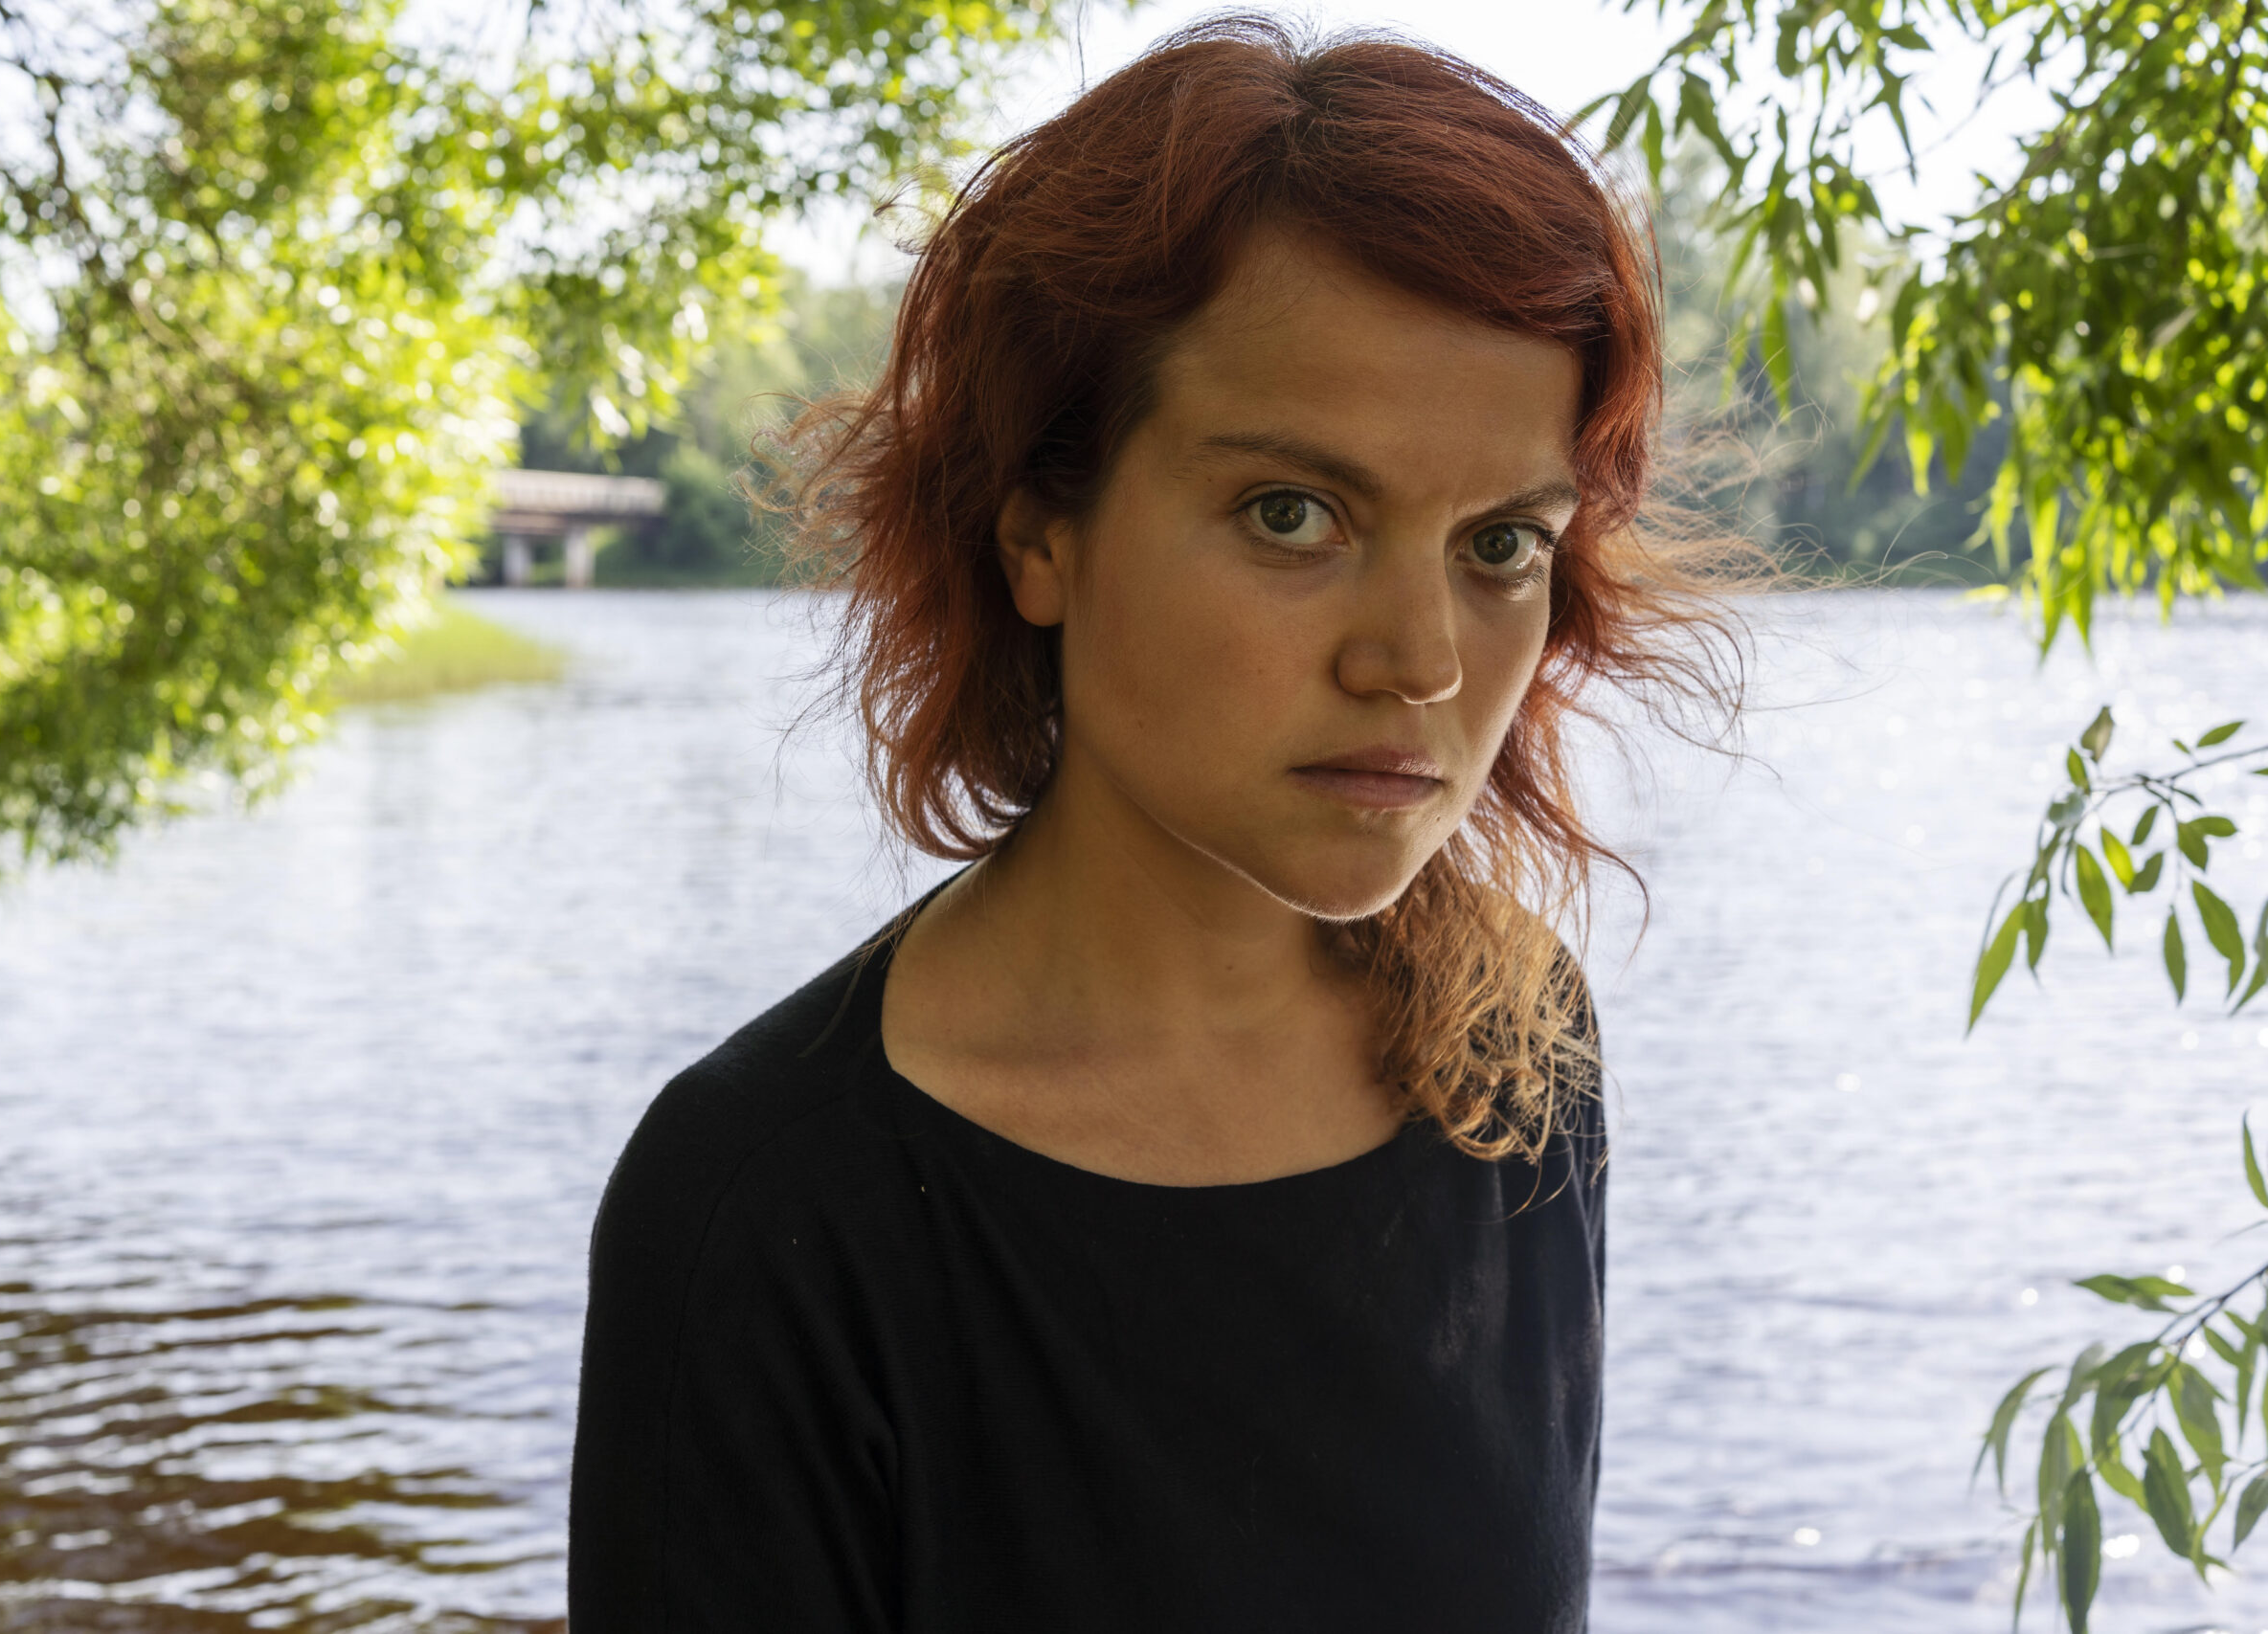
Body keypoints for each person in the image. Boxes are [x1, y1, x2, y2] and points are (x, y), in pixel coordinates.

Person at [571, 16, 1740, 1631]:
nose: (1419, 659)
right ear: (1039, 536)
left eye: (1499, 545)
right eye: (1293, 514)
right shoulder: (766, 1210)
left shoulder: (1512, 1046)